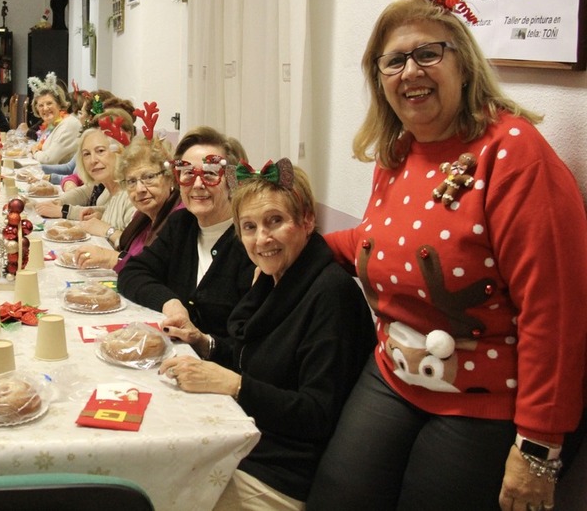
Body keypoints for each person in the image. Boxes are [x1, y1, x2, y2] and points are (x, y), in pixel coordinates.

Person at [306, 0, 587, 511]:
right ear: (380, 79)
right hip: (394, 375)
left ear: (463, 62)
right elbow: (377, 242)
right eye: (394, 60)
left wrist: (538, 448)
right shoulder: (398, 153)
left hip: (486, 401)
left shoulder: (514, 153)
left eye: (428, 53)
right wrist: (296, 246)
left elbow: (556, 311)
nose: (411, 70)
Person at [159, 160, 375, 510]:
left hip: (280, 473)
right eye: (249, 226)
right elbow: (258, 359)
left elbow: (317, 413)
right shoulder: (275, 280)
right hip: (244, 444)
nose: (262, 239)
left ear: (307, 221)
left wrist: (235, 385)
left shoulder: (330, 295)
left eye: (275, 221)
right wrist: (203, 342)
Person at [118, 126, 253, 341]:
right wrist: (170, 302)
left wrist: (204, 343)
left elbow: (249, 340)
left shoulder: (250, 241)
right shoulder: (182, 225)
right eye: (188, 173)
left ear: (232, 181)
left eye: (210, 174)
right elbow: (132, 273)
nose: (197, 184)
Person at [69, 132, 181, 272]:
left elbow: (156, 271)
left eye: (149, 177)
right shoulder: (142, 217)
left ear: (169, 177)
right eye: (132, 181)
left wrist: (110, 258)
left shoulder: (178, 221)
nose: (140, 189)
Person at [35, 110, 137, 242]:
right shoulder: (109, 187)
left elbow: (136, 247)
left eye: (100, 151)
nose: (93, 160)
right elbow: (105, 205)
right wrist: (61, 203)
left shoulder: (132, 192)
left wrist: (107, 229)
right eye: (86, 154)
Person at [27, 72, 81, 164]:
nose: (45, 108)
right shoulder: (51, 125)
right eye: (41, 105)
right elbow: (39, 148)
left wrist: (35, 152)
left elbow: (48, 160)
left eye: (49, 103)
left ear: (59, 104)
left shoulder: (68, 125)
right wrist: (34, 150)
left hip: (63, 176)